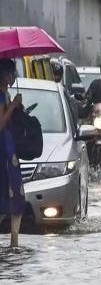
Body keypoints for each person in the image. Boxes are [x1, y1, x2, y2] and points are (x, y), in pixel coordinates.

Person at [0, 59, 25, 248]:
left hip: (9, 151)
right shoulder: (1, 96)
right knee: (8, 194)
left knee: (14, 195)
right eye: (9, 73)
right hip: (3, 153)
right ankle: (13, 243)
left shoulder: (4, 94)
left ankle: (14, 242)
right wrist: (13, 106)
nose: (11, 77)